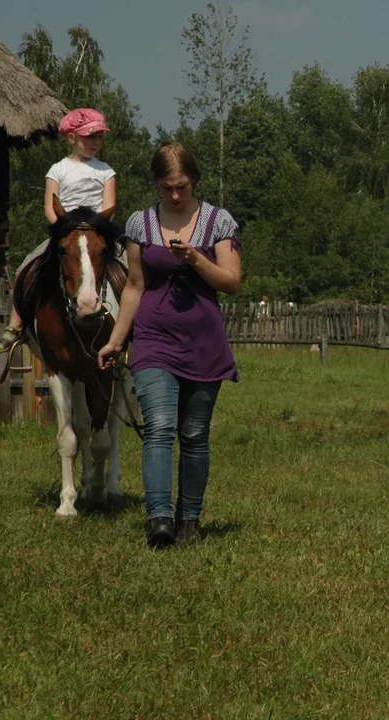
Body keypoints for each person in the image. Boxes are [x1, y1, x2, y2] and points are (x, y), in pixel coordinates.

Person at [97, 143, 242, 549]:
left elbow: (231, 281)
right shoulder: (140, 224)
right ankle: (159, 519)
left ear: (194, 180)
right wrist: (116, 340)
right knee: (159, 427)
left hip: (204, 344)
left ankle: (189, 521)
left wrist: (197, 259)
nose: (175, 195)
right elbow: (135, 288)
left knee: (194, 434)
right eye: (166, 188)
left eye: (181, 186)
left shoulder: (219, 221)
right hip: (154, 341)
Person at [0, 108, 117, 353]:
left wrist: (96, 230)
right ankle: (15, 326)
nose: (96, 142)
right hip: (66, 233)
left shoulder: (106, 171)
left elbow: (110, 207)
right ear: (71, 138)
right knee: (28, 265)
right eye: (90, 136)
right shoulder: (57, 170)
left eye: (100, 137)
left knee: (129, 266)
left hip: (96, 233)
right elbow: (51, 208)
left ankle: (138, 324)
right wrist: (62, 229)